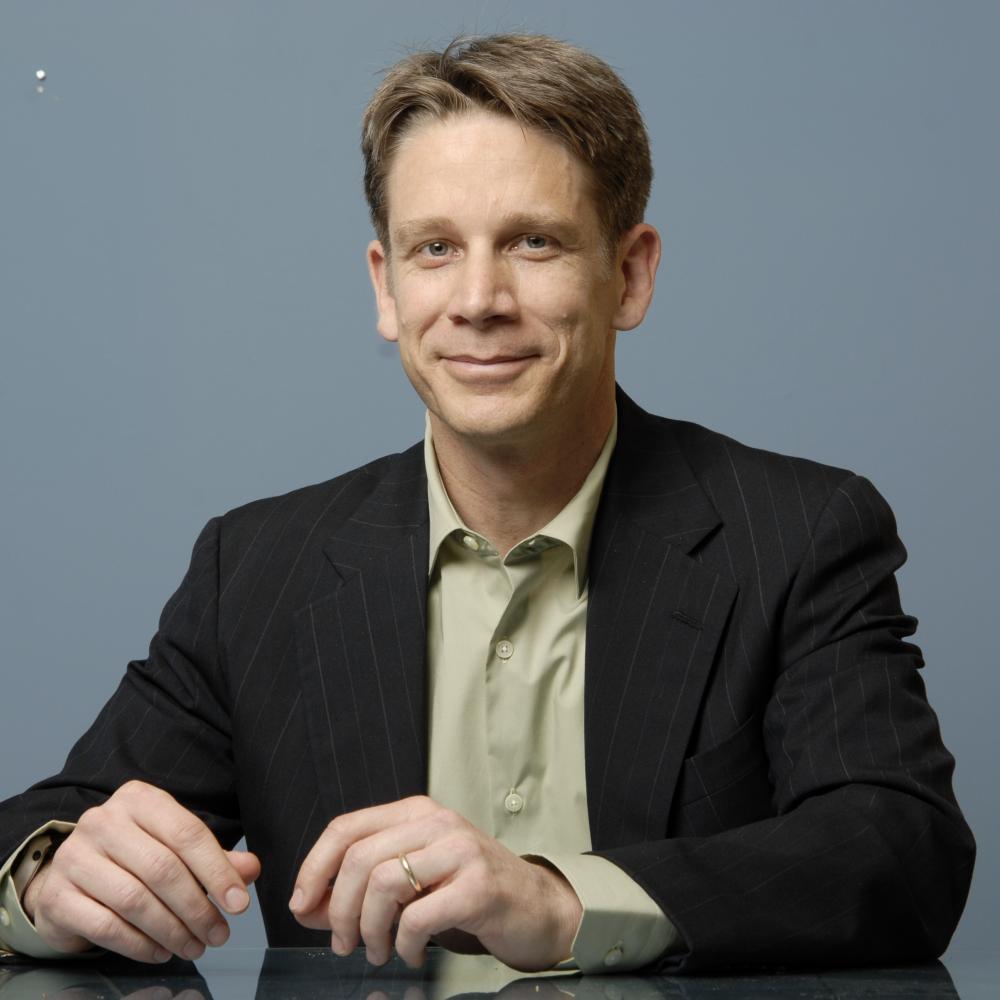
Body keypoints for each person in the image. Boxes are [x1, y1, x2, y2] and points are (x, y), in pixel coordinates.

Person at [0, 34, 974, 975]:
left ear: (628, 274)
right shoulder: (253, 567)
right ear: (385, 287)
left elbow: (897, 848)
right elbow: (52, 825)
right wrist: (51, 881)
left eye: (533, 242)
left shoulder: (799, 534)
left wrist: (561, 901)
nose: (477, 299)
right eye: (433, 248)